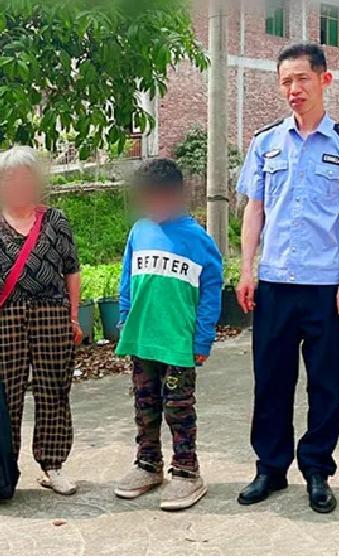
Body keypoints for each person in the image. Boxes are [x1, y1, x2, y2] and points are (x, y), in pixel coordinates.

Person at [235, 43, 339, 513]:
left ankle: (317, 469)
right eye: (285, 81)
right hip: (275, 282)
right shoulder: (265, 143)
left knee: (327, 383)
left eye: (302, 79)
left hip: (325, 286)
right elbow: (254, 209)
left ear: (324, 80)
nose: (293, 89)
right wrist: (247, 269)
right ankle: (270, 469)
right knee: (271, 381)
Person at [0, 146, 83, 506]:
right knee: (3, 397)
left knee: (54, 390)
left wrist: (73, 317)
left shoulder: (55, 221)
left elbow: (72, 271)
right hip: (4, 319)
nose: (19, 184)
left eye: (25, 177)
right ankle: (0, 471)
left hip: (51, 314)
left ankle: (53, 464)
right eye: (11, 178)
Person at [113, 159, 223, 511]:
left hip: (179, 343)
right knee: (145, 405)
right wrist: (125, 319)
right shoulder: (139, 232)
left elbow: (211, 291)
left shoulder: (198, 239)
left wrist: (202, 339)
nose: (153, 206)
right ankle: (148, 464)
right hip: (142, 338)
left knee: (178, 407)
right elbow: (127, 279)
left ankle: (187, 472)